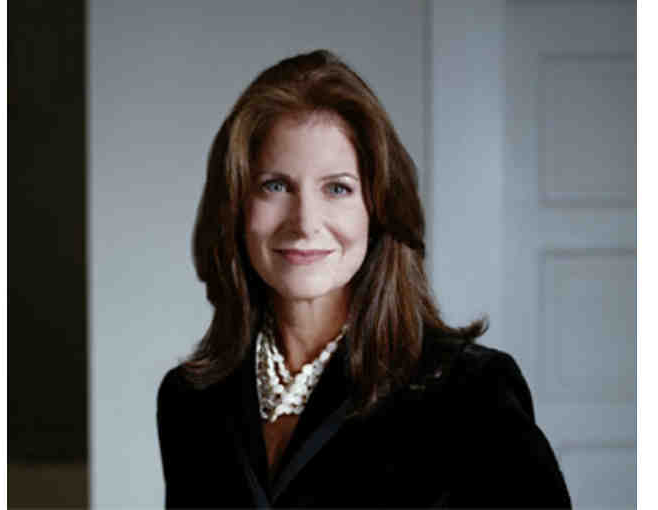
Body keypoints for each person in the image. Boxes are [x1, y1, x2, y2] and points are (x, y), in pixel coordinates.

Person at [156, 49, 571, 509]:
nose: (305, 222)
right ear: (235, 206)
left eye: (337, 188)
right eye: (276, 185)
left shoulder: (472, 391)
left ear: (379, 208)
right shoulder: (190, 401)